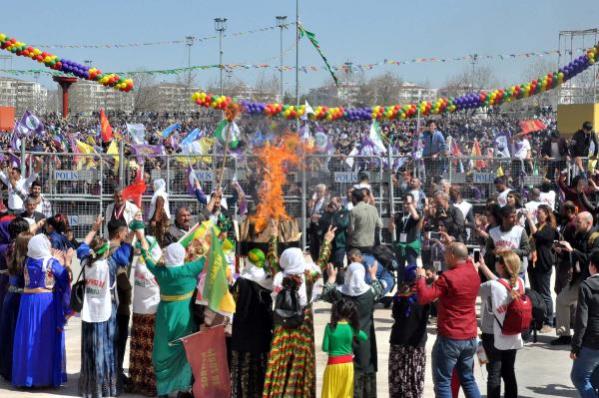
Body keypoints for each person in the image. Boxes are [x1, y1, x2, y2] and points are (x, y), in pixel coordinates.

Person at [263, 225, 334, 398]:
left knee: (281, 358)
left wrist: (273, 237)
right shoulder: (309, 275)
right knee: (301, 360)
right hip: (303, 323)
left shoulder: (278, 276)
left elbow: (272, 256)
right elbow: (323, 261)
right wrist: (326, 241)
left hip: (282, 324)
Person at [135, 226, 205, 398]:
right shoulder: (189, 270)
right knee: (184, 350)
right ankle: (183, 388)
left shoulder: (161, 272)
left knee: (162, 351)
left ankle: (164, 390)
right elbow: (206, 258)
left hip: (165, 316)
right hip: (184, 317)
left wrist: (141, 236)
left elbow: (147, 257)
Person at [415, 242, 481, 398]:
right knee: (468, 379)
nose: (443, 257)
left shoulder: (448, 277)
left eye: (445, 253)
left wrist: (421, 278)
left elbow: (424, 297)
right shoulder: (473, 271)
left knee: (443, 382)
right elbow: (467, 259)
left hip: (450, 337)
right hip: (470, 336)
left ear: (452, 255)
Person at [77, 215, 133, 398]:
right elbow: (124, 258)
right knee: (106, 348)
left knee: (90, 348)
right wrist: (129, 242)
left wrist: (93, 229)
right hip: (107, 312)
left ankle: (90, 387)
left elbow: (81, 247)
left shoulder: (87, 262)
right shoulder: (110, 263)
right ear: (106, 251)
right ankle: (106, 389)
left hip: (89, 311)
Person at [12, 234, 73, 388]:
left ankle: (27, 377)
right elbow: (65, 278)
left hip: (27, 302)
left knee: (29, 337)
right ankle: (43, 377)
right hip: (45, 303)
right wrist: (66, 262)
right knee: (44, 338)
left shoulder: (28, 261)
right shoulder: (51, 262)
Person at [322, 260, 383, 397]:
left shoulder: (339, 294)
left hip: (343, 345)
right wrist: (373, 275)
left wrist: (331, 277)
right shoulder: (370, 293)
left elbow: (325, 293)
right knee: (364, 372)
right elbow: (380, 290)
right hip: (364, 342)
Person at [477, 252, 525, 398]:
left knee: (494, 373)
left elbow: (473, 289)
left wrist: (473, 269)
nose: (495, 261)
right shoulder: (520, 283)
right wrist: (484, 266)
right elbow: (501, 283)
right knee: (509, 371)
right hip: (512, 334)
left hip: (492, 335)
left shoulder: (491, 286)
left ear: (502, 266)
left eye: (497, 260)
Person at [230, 248, 274, 397]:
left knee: (243, 372)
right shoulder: (268, 282)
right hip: (262, 335)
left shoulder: (241, 282)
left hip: (242, 335)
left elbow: (232, 305)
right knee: (259, 372)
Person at [553, 211, 599, 345]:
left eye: (579, 221)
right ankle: (564, 335)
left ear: (588, 223)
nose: (575, 224)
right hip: (580, 278)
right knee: (562, 300)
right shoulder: (579, 234)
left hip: (593, 280)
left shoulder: (595, 238)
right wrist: (562, 252)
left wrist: (572, 250)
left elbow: (591, 259)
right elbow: (574, 255)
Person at [388, 265, 430, 398]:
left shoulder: (399, 295)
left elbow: (395, 315)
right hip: (416, 344)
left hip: (398, 342)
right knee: (414, 382)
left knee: (397, 381)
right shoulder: (424, 296)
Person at [128, 234, 162, 397]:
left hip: (147, 311)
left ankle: (144, 382)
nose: (141, 246)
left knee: (145, 349)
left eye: (144, 244)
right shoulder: (147, 261)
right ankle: (143, 382)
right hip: (144, 311)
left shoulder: (152, 261)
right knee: (144, 349)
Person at [0, 228, 32, 381]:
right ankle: (14, 370)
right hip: (19, 298)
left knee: (7, 334)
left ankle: (6, 369)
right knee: (16, 335)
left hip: (9, 297)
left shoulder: (12, 255)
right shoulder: (27, 261)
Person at [320, 299, 367, 398]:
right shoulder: (351, 328)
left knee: (330, 393)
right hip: (348, 365)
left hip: (333, 364)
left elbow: (325, 348)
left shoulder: (329, 327)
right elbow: (364, 337)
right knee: (346, 394)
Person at [570, 250, 599, 397]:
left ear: (592, 266)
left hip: (591, 340)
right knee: (594, 379)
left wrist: (575, 346)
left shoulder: (586, 286)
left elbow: (581, 320)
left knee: (579, 377)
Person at [526, 204, 557, 330]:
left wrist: (529, 219)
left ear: (546, 214)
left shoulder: (550, 228)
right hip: (533, 264)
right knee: (535, 294)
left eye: (540, 212)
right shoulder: (536, 226)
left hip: (544, 264)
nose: (537, 215)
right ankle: (538, 319)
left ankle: (549, 321)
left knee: (545, 294)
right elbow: (528, 235)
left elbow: (537, 235)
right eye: (536, 212)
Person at [484, 205, 530, 277]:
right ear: (503, 218)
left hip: (516, 270)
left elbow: (526, 250)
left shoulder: (520, 231)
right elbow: (488, 250)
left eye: (515, 216)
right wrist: (494, 251)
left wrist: (510, 250)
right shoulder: (493, 232)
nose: (515, 219)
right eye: (512, 217)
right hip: (499, 270)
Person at [390, 193, 422, 282]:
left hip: (410, 245)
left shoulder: (415, 213)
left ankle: (413, 287)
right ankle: (400, 288)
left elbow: (416, 217)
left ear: (413, 203)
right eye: (404, 203)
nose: (405, 205)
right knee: (400, 268)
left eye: (407, 203)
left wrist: (410, 205)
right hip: (400, 245)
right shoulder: (398, 215)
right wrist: (391, 220)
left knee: (412, 268)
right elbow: (390, 228)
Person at [348, 188, 383, 253]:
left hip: (357, 245)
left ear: (355, 199)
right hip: (370, 244)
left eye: (352, 198)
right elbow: (380, 225)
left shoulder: (353, 211)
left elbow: (351, 230)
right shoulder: (373, 209)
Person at [148, 179, 170, 247]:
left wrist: (154, 220)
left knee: (158, 237)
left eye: (154, 185)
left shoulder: (159, 195)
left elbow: (159, 208)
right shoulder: (160, 194)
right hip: (162, 219)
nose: (153, 187)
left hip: (160, 220)